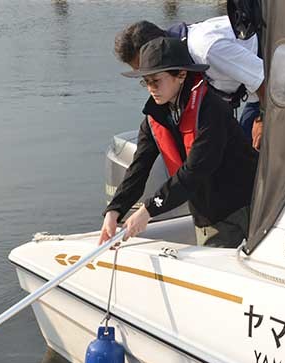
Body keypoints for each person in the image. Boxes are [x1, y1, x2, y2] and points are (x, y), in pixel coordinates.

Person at [98, 37, 258, 247]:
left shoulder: (211, 110)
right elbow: (139, 168)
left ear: (181, 75)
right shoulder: (155, 118)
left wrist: (149, 210)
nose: (150, 89)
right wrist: (114, 210)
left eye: (156, 81)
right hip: (207, 212)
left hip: (245, 204)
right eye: (145, 82)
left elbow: (195, 170)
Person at [114, 17, 266, 150]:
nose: (149, 79)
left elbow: (264, 78)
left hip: (275, 84)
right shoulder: (179, 59)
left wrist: (263, 119)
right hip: (253, 90)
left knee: (249, 148)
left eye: (149, 70)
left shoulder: (206, 49)